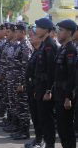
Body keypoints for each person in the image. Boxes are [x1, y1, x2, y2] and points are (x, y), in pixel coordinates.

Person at [34, 18, 58, 148]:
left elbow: (51, 70)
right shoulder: (44, 44)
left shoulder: (49, 45)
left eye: (39, 27)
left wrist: (49, 90)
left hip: (45, 88)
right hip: (40, 86)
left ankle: (50, 144)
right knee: (42, 117)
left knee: (47, 119)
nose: (36, 30)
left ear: (46, 30)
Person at [54, 19, 77, 148]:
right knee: (61, 128)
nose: (58, 33)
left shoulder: (71, 50)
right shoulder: (62, 48)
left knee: (67, 128)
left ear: (69, 33)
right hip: (58, 93)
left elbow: (71, 76)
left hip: (65, 96)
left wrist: (68, 97)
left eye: (61, 30)